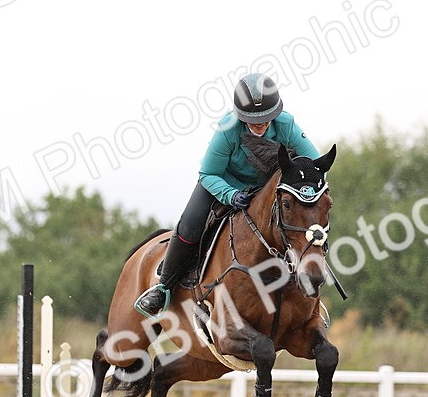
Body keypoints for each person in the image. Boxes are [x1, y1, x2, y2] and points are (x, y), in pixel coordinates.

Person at [133, 72, 322, 318]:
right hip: (223, 184)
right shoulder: (227, 129)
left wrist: (305, 193)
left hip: (267, 192)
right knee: (190, 226)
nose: (260, 124)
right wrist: (231, 195)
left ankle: (309, 282)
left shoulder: (285, 124)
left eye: (265, 118)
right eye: (253, 119)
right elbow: (208, 173)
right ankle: (163, 287)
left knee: (305, 220)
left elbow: (314, 166)